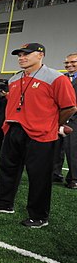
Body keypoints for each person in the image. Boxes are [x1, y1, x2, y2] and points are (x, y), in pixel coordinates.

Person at [0, 43, 76, 228]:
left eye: (26, 54)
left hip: (41, 133)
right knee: (7, 168)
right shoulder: (15, 79)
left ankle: (39, 215)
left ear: (40, 55)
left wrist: (53, 124)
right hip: (14, 129)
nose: (21, 57)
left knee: (39, 176)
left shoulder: (56, 78)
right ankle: (3, 203)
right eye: (19, 55)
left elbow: (70, 107)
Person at [56, 53, 77, 188]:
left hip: (75, 120)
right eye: (66, 63)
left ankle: (74, 178)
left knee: (73, 150)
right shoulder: (61, 78)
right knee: (55, 148)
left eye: (73, 62)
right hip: (59, 119)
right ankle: (55, 174)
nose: (69, 65)